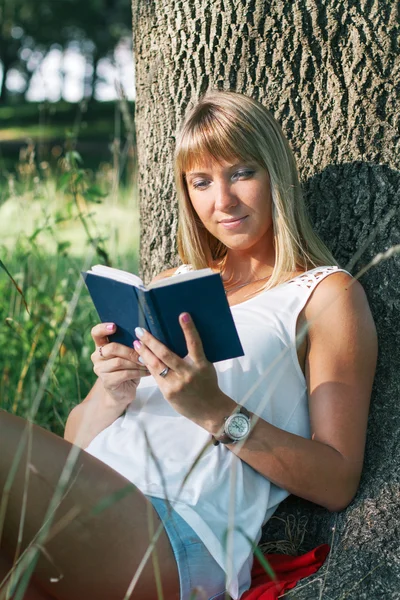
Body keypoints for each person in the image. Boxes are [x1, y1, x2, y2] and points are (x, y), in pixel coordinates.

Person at [0, 91, 377, 600]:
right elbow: (73, 445)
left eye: (241, 173)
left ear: (275, 175)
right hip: (93, 498)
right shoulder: (172, 284)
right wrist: (112, 391)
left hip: (176, 529)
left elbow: (337, 480)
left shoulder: (323, 295)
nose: (222, 201)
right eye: (201, 182)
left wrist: (214, 410)